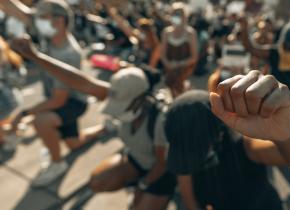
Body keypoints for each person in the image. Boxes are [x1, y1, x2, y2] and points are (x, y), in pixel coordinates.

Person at [11, 37, 176, 210]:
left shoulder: (160, 118)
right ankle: (133, 184)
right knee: (97, 182)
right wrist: (34, 56)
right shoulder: (121, 93)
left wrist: (143, 188)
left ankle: (158, 193)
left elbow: (161, 164)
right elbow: (80, 81)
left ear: (142, 98)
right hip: (136, 159)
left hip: (161, 172)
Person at [164, 70, 290, 210]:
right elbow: (190, 202)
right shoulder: (182, 157)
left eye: (194, 150)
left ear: (217, 135)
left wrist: (285, 134)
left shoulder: (244, 146)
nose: (188, 159)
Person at [3, 0, 91, 186]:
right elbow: (13, 8)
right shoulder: (50, 33)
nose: (36, 21)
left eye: (41, 17)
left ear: (59, 21)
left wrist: (23, 114)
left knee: (40, 121)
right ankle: (106, 127)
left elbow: (59, 100)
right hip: (59, 98)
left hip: (72, 102)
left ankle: (57, 163)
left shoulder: (68, 53)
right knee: (74, 144)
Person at [240, 16, 290, 107]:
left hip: (289, 107)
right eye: (287, 42)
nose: (289, 46)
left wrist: (289, 105)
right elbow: (251, 48)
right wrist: (244, 28)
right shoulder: (276, 52)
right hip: (267, 100)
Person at [160, 2, 198, 98]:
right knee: (172, 86)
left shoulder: (191, 33)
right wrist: (168, 64)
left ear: (184, 16)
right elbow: (163, 55)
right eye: (174, 14)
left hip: (185, 68)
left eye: (179, 14)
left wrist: (180, 64)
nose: (176, 17)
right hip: (170, 68)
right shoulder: (166, 32)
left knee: (180, 88)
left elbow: (194, 57)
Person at [0, 36, 26, 151]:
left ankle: (12, 133)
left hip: (7, 99)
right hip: (10, 96)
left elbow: (18, 80)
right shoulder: (7, 53)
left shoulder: (5, 58)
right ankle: (14, 128)